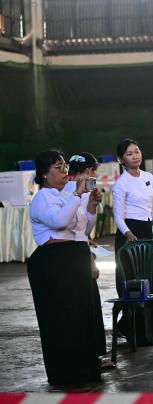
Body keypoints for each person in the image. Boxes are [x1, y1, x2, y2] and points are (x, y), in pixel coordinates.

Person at [27, 149, 101, 385]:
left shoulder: (64, 195)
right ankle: (66, 374)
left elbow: (82, 230)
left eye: (64, 167)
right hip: (54, 264)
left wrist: (90, 207)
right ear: (44, 174)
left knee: (80, 319)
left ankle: (84, 370)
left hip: (73, 258)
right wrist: (78, 196)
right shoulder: (42, 198)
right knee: (62, 320)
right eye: (58, 168)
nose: (64, 172)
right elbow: (59, 221)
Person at [112, 138, 153, 345]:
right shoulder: (121, 184)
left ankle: (147, 333)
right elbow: (118, 216)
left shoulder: (148, 177)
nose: (135, 155)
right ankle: (132, 331)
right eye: (129, 153)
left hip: (146, 231)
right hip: (128, 234)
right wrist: (127, 232)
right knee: (132, 284)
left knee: (148, 282)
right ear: (121, 160)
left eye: (137, 151)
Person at [64, 152, 112, 369]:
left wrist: (92, 205)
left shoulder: (84, 193)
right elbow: (76, 230)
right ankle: (84, 357)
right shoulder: (68, 193)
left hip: (81, 251)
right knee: (81, 306)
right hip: (72, 254)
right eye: (93, 171)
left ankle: (93, 355)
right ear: (89, 171)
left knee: (89, 305)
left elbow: (87, 229)